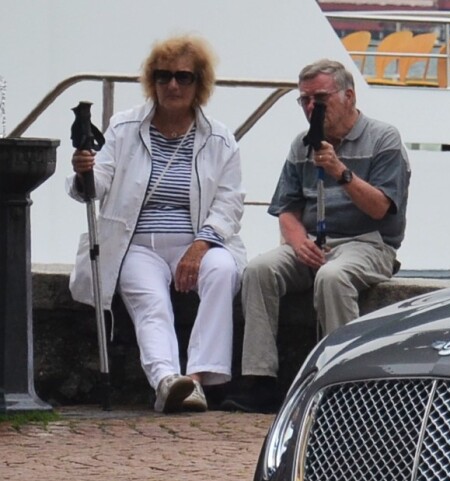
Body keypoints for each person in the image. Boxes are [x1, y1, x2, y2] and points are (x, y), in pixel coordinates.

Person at [65, 36, 245, 412]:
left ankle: (195, 379)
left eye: (183, 77)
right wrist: (85, 171)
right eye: (163, 77)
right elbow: (97, 186)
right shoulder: (124, 127)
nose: (173, 85)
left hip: (198, 241)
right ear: (152, 81)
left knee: (223, 271)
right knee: (151, 301)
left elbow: (229, 203)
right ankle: (166, 380)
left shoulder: (220, 138)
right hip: (137, 242)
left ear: (200, 83)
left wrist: (199, 248)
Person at [227, 59, 408, 413]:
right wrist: (297, 242)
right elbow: (287, 209)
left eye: (320, 99)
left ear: (349, 96)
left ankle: (342, 381)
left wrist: (340, 171)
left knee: (332, 277)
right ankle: (259, 379)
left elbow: (381, 208)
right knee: (259, 271)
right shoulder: (302, 145)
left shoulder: (384, 138)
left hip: (369, 241)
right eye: (305, 100)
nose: (312, 108)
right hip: (314, 240)